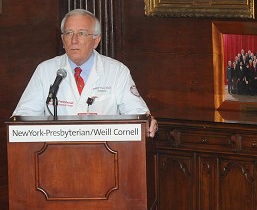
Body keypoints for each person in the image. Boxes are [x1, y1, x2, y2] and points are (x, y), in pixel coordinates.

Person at [12, 9, 158, 137]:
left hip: (105, 156)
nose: (74, 40)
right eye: (69, 33)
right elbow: (23, 116)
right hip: (55, 156)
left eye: (81, 33)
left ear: (96, 40)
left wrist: (148, 122)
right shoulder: (45, 70)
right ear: (63, 40)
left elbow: (137, 113)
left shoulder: (117, 71)